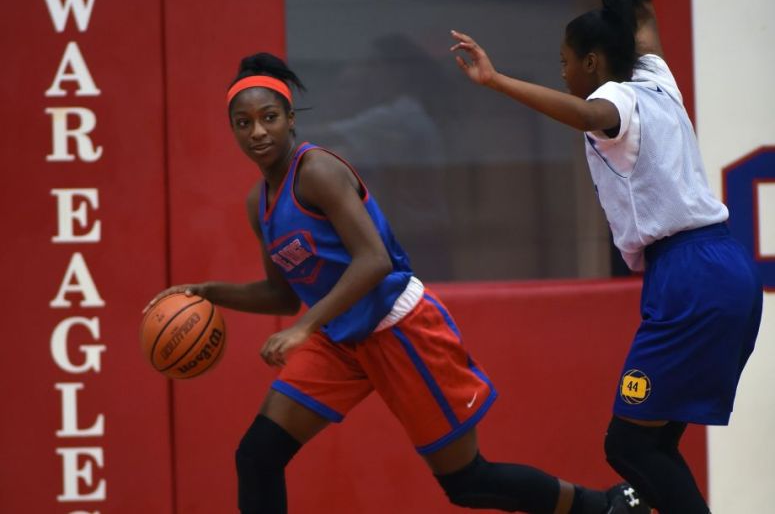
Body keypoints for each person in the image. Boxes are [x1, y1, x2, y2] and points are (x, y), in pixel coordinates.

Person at [144, 52, 649, 514]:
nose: (257, 131)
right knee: (257, 455)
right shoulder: (260, 203)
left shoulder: (316, 171)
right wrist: (208, 293)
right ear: (232, 130)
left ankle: (600, 506)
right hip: (343, 340)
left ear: (291, 119)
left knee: (467, 482)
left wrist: (302, 330)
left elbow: (375, 261)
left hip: (397, 326)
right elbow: (280, 292)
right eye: (243, 123)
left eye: (269, 118)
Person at [450, 0, 763, 513]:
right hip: (724, 267)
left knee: (628, 445)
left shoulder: (617, 100)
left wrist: (496, 80)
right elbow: (640, 13)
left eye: (564, 61)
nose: (564, 71)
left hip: (690, 275)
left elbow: (585, 112)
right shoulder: (656, 74)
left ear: (591, 62)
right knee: (654, 443)